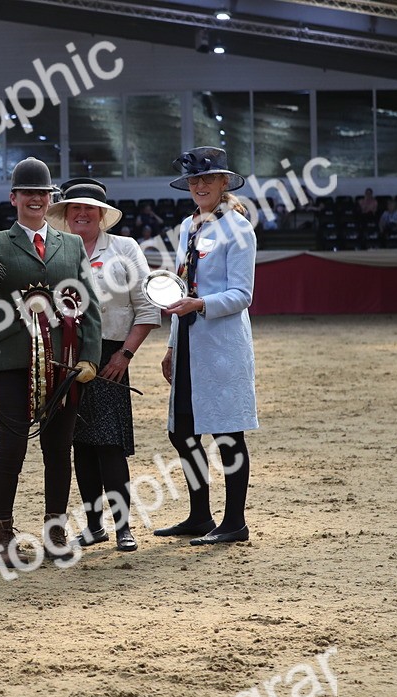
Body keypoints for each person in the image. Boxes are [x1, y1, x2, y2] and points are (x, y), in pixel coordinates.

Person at [0, 158, 102, 566]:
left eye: (43, 194)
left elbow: (88, 305)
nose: (36, 199)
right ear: (14, 198)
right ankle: (1, 534)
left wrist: (89, 357)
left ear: (50, 199)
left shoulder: (70, 246)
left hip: (63, 362)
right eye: (28, 193)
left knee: (58, 451)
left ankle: (56, 533)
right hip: (11, 358)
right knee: (11, 449)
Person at [47, 179, 161, 551]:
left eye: (89, 209)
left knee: (109, 446)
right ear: (65, 214)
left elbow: (147, 306)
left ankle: (123, 525)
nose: (81, 214)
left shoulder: (125, 248)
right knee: (79, 444)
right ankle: (94, 525)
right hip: (65, 357)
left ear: (101, 215)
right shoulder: (55, 247)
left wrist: (124, 355)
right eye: (74, 208)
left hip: (112, 354)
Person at [155, 146, 258, 545]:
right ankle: (200, 515)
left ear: (223, 183)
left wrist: (202, 304)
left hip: (221, 343)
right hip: (187, 341)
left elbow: (242, 294)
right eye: (194, 180)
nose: (199, 185)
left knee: (228, 431)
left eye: (207, 179)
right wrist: (169, 344)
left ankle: (234, 522)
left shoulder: (238, 228)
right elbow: (182, 285)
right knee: (182, 431)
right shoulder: (188, 226)